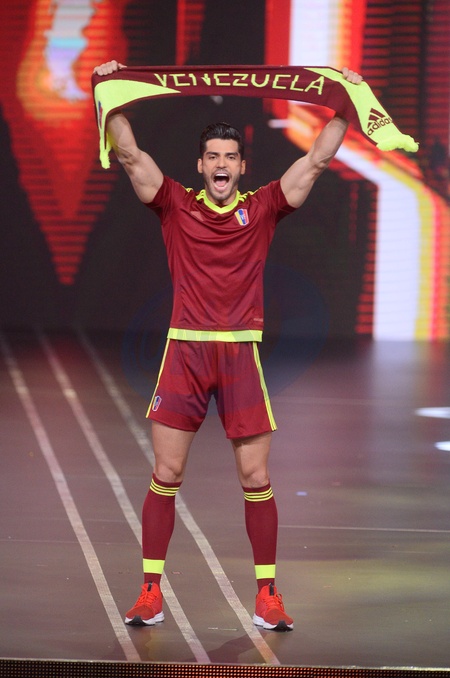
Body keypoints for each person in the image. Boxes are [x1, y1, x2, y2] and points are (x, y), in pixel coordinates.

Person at [93, 60, 362, 632]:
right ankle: (149, 592)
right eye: (212, 156)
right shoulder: (175, 203)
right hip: (185, 353)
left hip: (240, 355)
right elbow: (130, 155)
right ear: (201, 164)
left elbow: (317, 160)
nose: (220, 164)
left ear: (242, 166)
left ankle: (267, 596)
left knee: (256, 480)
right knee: (166, 472)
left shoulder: (263, 206)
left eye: (230, 157)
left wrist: (346, 102)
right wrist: (109, 90)